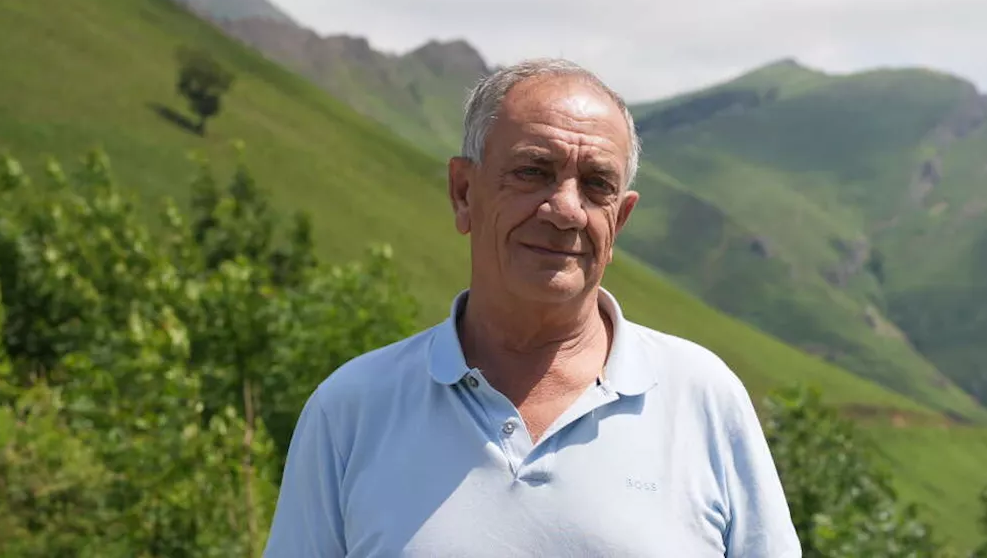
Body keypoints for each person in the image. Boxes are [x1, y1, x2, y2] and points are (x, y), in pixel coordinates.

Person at [262, 58, 801, 557]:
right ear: (462, 191)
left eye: (596, 185)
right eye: (533, 171)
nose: (566, 210)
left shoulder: (701, 397)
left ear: (620, 220)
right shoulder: (352, 411)